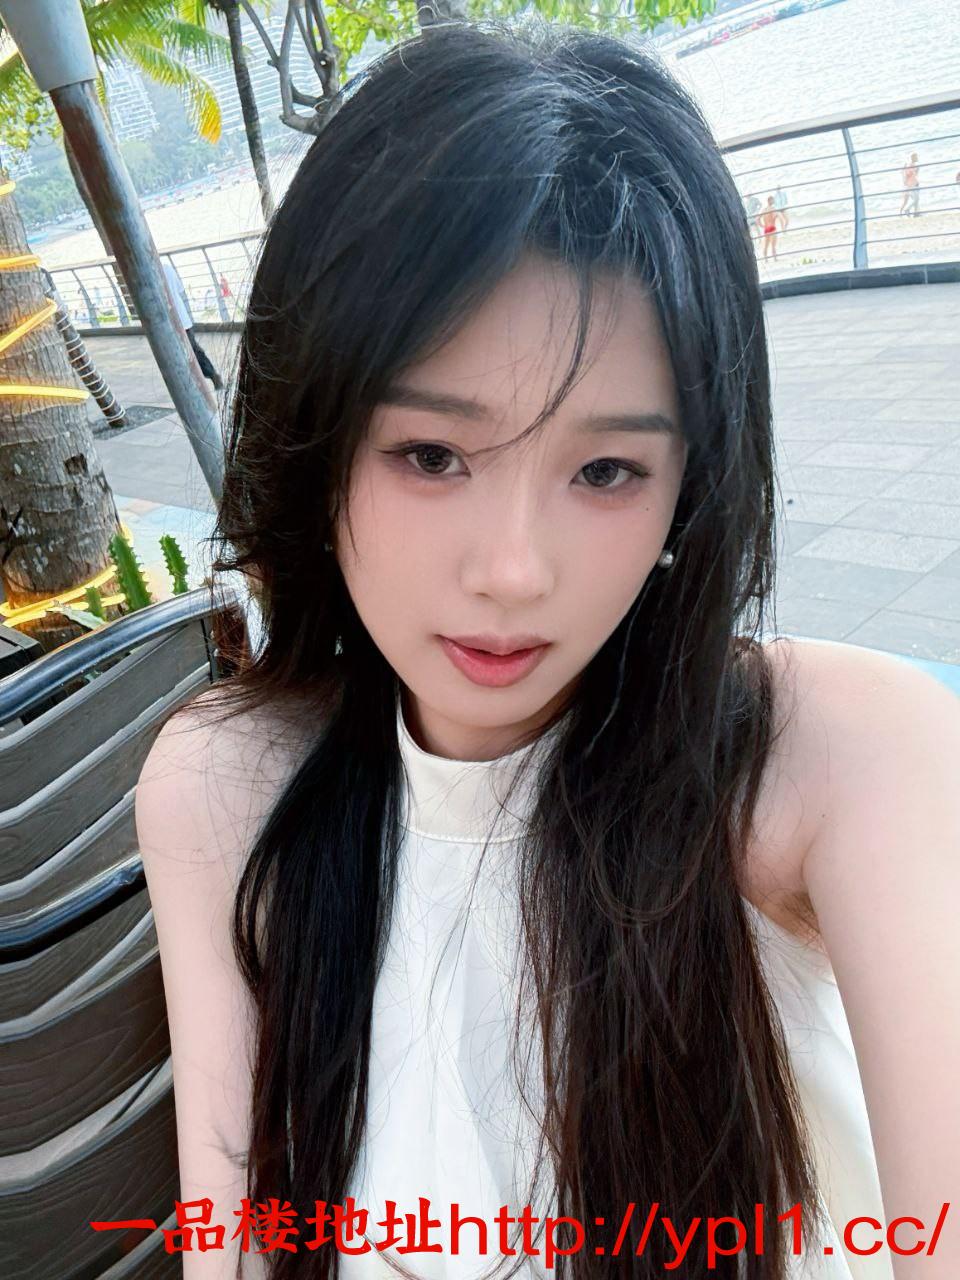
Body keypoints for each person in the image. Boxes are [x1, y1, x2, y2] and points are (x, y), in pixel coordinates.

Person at [135, 20, 960, 1280]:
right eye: (431, 455)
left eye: (607, 469)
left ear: (689, 486)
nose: (514, 570)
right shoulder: (230, 788)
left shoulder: (838, 760)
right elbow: (233, 1238)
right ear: (316, 443)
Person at [162, 258, 224, 391]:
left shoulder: (151, 270)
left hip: (169, 321)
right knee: (193, 350)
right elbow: (180, 289)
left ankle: (208, 377)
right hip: (182, 318)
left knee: (185, 353)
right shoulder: (167, 267)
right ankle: (210, 377)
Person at [755, 194, 784, 260]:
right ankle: (775, 258)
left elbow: (757, 219)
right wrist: (783, 228)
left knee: (766, 245)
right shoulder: (773, 209)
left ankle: (766, 259)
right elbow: (780, 218)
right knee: (773, 246)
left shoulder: (764, 210)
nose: (774, 201)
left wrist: (762, 226)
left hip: (766, 229)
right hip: (772, 228)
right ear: (770, 201)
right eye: (773, 200)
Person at [899, 151, 920, 217]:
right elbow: (907, 175)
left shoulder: (913, 165)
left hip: (915, 184)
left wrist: (917, 170)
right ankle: (907, 209)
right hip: (911, 185)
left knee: (916, 199)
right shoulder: (910, 165)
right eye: (916, 156)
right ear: (913, 157)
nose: (917, 158)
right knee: (916, 199)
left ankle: (916, 213)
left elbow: (914, 175)